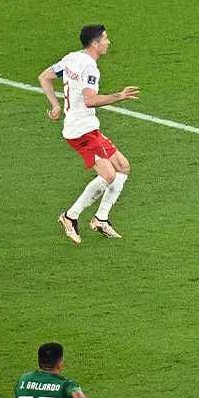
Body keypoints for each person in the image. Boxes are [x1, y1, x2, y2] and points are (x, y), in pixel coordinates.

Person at [37, 24, 140, 244]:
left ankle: (101, 219)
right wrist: (118, 96)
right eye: (105, 38)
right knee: (109, 175)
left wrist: (56, 105)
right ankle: (70, 216)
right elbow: (90, 100)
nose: (108, 42)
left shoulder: (71, 58)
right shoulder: (91, 68)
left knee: (123, 167)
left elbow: (44, 77)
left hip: (86, 127)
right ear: (95, 44)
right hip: (81, 132)